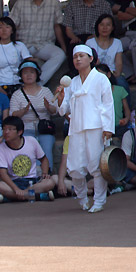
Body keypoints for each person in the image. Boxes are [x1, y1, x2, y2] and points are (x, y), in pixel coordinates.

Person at [55, 45, 114, 212]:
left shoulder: (101, 79)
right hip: (76, 128)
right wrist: (60, 98)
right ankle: (82, 198)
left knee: (96, 167)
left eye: (81, 56)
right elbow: (63, 109)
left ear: (90, 59)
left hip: (96, 127)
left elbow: (108, 105)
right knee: (74, 167)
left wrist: (107, 128)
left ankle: (99, 201)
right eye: (75, 57)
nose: (78, 59)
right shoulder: (71, 83)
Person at [9, 61, 57, 173]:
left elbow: (55, 111)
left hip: (44, 129)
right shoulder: (17, 94)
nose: (29, 75)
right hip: (26, 129)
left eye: (32, 72)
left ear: (37, 74)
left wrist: (48, 107)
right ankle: (32, 176)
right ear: (21, 76)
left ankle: (47, 176)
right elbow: (13, 115)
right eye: (25, 73)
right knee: (28, 151)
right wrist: (23, 111)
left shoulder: (45, 91)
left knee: (47, 150)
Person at [0, 116, 55, 202]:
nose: (6, 132)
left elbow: (44, 159)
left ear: (20, 132)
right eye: (4, 129)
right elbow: (3, 174)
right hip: (14, 182)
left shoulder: (31, 141)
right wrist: (16, 189)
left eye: (10, 129)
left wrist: (45, 173)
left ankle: (13, 197)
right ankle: (38, 196)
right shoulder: (0, 149)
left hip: (33, 181)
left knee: (50, 182)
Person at [9, 0, 67, 85]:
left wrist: (63, 46)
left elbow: (57, 26)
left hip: (44, 44)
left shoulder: (54, 3)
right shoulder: (21, 3)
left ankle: (37, 84)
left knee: (60, 54)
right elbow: (11, 26)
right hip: (23, 44)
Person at [86, 14, 130, 106]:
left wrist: (114, 74)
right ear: (97, 26)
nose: (104, 28)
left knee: (122, 83)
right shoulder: (90, 42)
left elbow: (119, 65)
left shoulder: (117, 43)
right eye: (102, 24)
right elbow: (88, 65)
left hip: (112, 74)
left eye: (108, 25)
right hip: (95, 74)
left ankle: (127, 114)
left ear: (113, 27)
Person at [61, 0, 112, 73]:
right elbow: (68, 29)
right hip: (77, 37)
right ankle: (75, 74)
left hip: (97, 36)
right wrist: (74, 37)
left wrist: (95, 36)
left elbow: (109, 23)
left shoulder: (104, 4)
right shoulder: (72, 5)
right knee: (74, 48)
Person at [0, 17, 33, 96]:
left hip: (19, 83)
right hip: (1, 85)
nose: (4, 30)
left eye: (7, 27)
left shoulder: (20, 46)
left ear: (12, 30)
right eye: (1, 27)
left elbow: (30, 62)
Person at [96, 64, 131, 139]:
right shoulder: (95, 93)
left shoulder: (120, 90)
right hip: (102, 128)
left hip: (118, 126)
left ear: (108, 74)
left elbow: (127, 110)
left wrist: (126, 119)